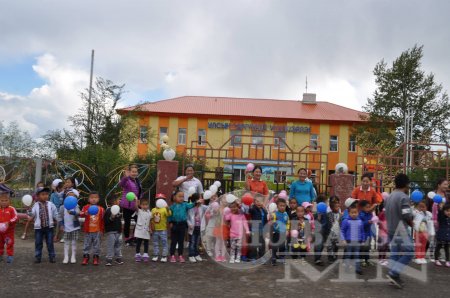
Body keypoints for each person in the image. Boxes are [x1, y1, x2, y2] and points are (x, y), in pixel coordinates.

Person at [384, 173, 414, 289]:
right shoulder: (403, 197)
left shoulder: (390, 196)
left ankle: (393, 276)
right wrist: (412, 223)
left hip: (391, 228)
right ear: (406, 184)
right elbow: (407, 215)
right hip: (400, 230)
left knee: (395, 253)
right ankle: (393, 273)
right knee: (410, 251)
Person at [27, 187, 58, 263]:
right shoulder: (35, 205)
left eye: (47, 194)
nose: (45, 196)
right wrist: (29, 210)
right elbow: (32, 214)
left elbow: (55, 214)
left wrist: (59, 220)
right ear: (37, 196)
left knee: (50, 243)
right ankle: (38, 257)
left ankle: (52, 256)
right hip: (39, 228)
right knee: (38, 243)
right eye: (43, 194)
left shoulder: (51, 204)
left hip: (49, 227)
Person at [169, 190, 197, 263]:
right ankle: (172, 255)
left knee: (181, 241)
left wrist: (196, 202)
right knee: (173, 241)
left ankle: (180, 255)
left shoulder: (185, 205)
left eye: (182, 197)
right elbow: (170, 215)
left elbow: (191, 205)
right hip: (174, 225)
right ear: (174, 197)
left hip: (182, 225)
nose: (181, 198)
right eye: (179, 196)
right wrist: (170, 222)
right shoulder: (172, 206)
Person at [80, 191, 105, 266]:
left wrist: (102, 230)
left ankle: (96, 257)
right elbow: (81, 214)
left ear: (98, 199)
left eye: (95, 197)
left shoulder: (101, 209)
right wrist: (85, 213)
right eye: (92, 197)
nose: (93, 199)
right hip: (88, 230)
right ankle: (86, 257)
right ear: (88, 199)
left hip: (97, 231)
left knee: (97, 245)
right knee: (86, 244)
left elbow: (103, 220)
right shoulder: (85, 207)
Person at [119, 164, 142, 246]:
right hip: (127, 205)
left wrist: (139, 201)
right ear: (129, 172)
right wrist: (125, 177)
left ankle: (134, 237)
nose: (134, 173)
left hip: (135, 205)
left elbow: (139, 192)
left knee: (138, 221)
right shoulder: (127, 180)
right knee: (127, 222)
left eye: (135, 172)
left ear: (137, 173)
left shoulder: (138, 181)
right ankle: (127, 238)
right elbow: (121, 184)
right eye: (132, 172)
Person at [341, 205, 364, 275]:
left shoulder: (360, 221)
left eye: (355, 212)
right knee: (348, 255)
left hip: (357, 242)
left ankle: (358, 269)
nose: (354, 214)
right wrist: (343, 239)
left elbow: (362, 231)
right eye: (352, 212)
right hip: (349, 242)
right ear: (349, 213)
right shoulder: (346, 221)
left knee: (357, 255)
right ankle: (347, 268)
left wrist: (363, 240)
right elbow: (342, 231)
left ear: (358, 213)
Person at [429, 178, 448, 262]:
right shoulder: (432, 194)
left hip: (444, 221)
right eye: (445, 184)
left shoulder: (448, 195)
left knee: (442, 238)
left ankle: (439, 255)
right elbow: (427, 206)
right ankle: (433, 255)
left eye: (447, 184)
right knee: (433, 238)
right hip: (433, 220)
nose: (446, 186)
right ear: (439, 185)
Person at [58, 194, 81, 264]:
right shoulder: (62, 207)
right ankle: (66, 256)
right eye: (68, 196)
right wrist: (61, 225)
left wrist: (72, 212)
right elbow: (60, 217)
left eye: (73, 196)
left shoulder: (76, 206)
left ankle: (73, 256)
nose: (70, 198)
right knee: (66, 243)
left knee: (74, 242)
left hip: (75, 227)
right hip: (66, 228)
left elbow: (78, 213)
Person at [187, 193, 208, 263]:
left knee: (197, 242)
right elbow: (187, 218)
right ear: (196, 200)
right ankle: (191, 255)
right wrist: (189, 224)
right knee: (192, 242)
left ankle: (196, 254)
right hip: (192, 228)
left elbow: (210, 208)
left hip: (199, 227)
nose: (202, 199)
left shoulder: (203, 207)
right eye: (200, 198)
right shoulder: (190, 208)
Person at [104, 195, 124, 266]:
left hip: (118, 231)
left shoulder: (119, 210)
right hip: (111, 231)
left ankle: (118, 258)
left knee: (118, 245)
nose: (120, 201)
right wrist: (111, 218)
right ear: (114, 201)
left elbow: (119, 221)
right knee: (111, 245)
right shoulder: (108, 210)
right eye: (119, 200)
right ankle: (109, 259)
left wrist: (121, 230)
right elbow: (106, 221)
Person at [248, 193, 268, 262]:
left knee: (262, 244)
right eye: (257, 201)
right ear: (254, 202)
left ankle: (261, 256)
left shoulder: (264, 210)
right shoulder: (253, 209)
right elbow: (250, 210)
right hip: (255, 229)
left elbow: (266, 220)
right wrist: (250, 205)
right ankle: (253, 257)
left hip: (262, 230)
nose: (259, 203)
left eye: (260, 201)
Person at [0, 184, 17, 263]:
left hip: (9, 232)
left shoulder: (11, 209)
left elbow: (15, 217)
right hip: (0, 232)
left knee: (9, 243)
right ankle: (0, 255)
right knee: (0, 244)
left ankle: (10, 255)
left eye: (6, 200)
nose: (4, 202)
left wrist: (9, 222)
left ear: (9, 201)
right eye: (2, 201)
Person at [151, 193, 171, 262]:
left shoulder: (164, 209)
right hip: (155, 230)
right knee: (155, 243)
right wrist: (151, 227)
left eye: (162, 200)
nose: (159, 201)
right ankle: (156, 255)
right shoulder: (153, 210)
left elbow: (169, 214)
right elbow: (151, 219)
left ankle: (164, 256)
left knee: (164, 243)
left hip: (163, 230)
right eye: (158, 199)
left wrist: (168, 209)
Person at [270, 198, 290, 265]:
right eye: (280, 205)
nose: (282, 207)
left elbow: (288, 223)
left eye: (283, 206)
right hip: (276, 233)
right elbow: (272, 222)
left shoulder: (286, 215)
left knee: (282, 246)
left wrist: (287, 230)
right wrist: (272, 220)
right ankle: (274, 258)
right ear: (277, 206)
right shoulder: (275, 214)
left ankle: (282, 257)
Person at [134, 199, 152, 263]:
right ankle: (138, 254)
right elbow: (135, 207)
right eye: (143, 205)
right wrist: (136, 202)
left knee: (146, 243)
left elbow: (149, 221)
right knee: (138, 243)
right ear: (141, 205)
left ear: (148, 205)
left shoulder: (150, 213)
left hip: (146, 231)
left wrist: (150, 228)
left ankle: (145, 254)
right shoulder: (139, 211)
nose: (145, 206)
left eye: (146, 205)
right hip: (140, 230)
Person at [358, 200, 373, 267]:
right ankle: (362, 260)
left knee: (367, 248)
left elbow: (372, 222)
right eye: (367, 207)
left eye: (369, 207)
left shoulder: (370, 214)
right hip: (363, 235)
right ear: (362, 208)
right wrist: (368, 222)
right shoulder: (360, 214)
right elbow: (360, 224)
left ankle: (367, 260)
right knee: (362, 248)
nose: (368, 208)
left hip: (369, 234)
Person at [377, 201, 389, 266]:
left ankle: (383, 259)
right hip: (382, 233)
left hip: (387, 233)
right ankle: (380, 259)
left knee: (385, 247)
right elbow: (378, 222)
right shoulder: (382, 213)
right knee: (382, 247)